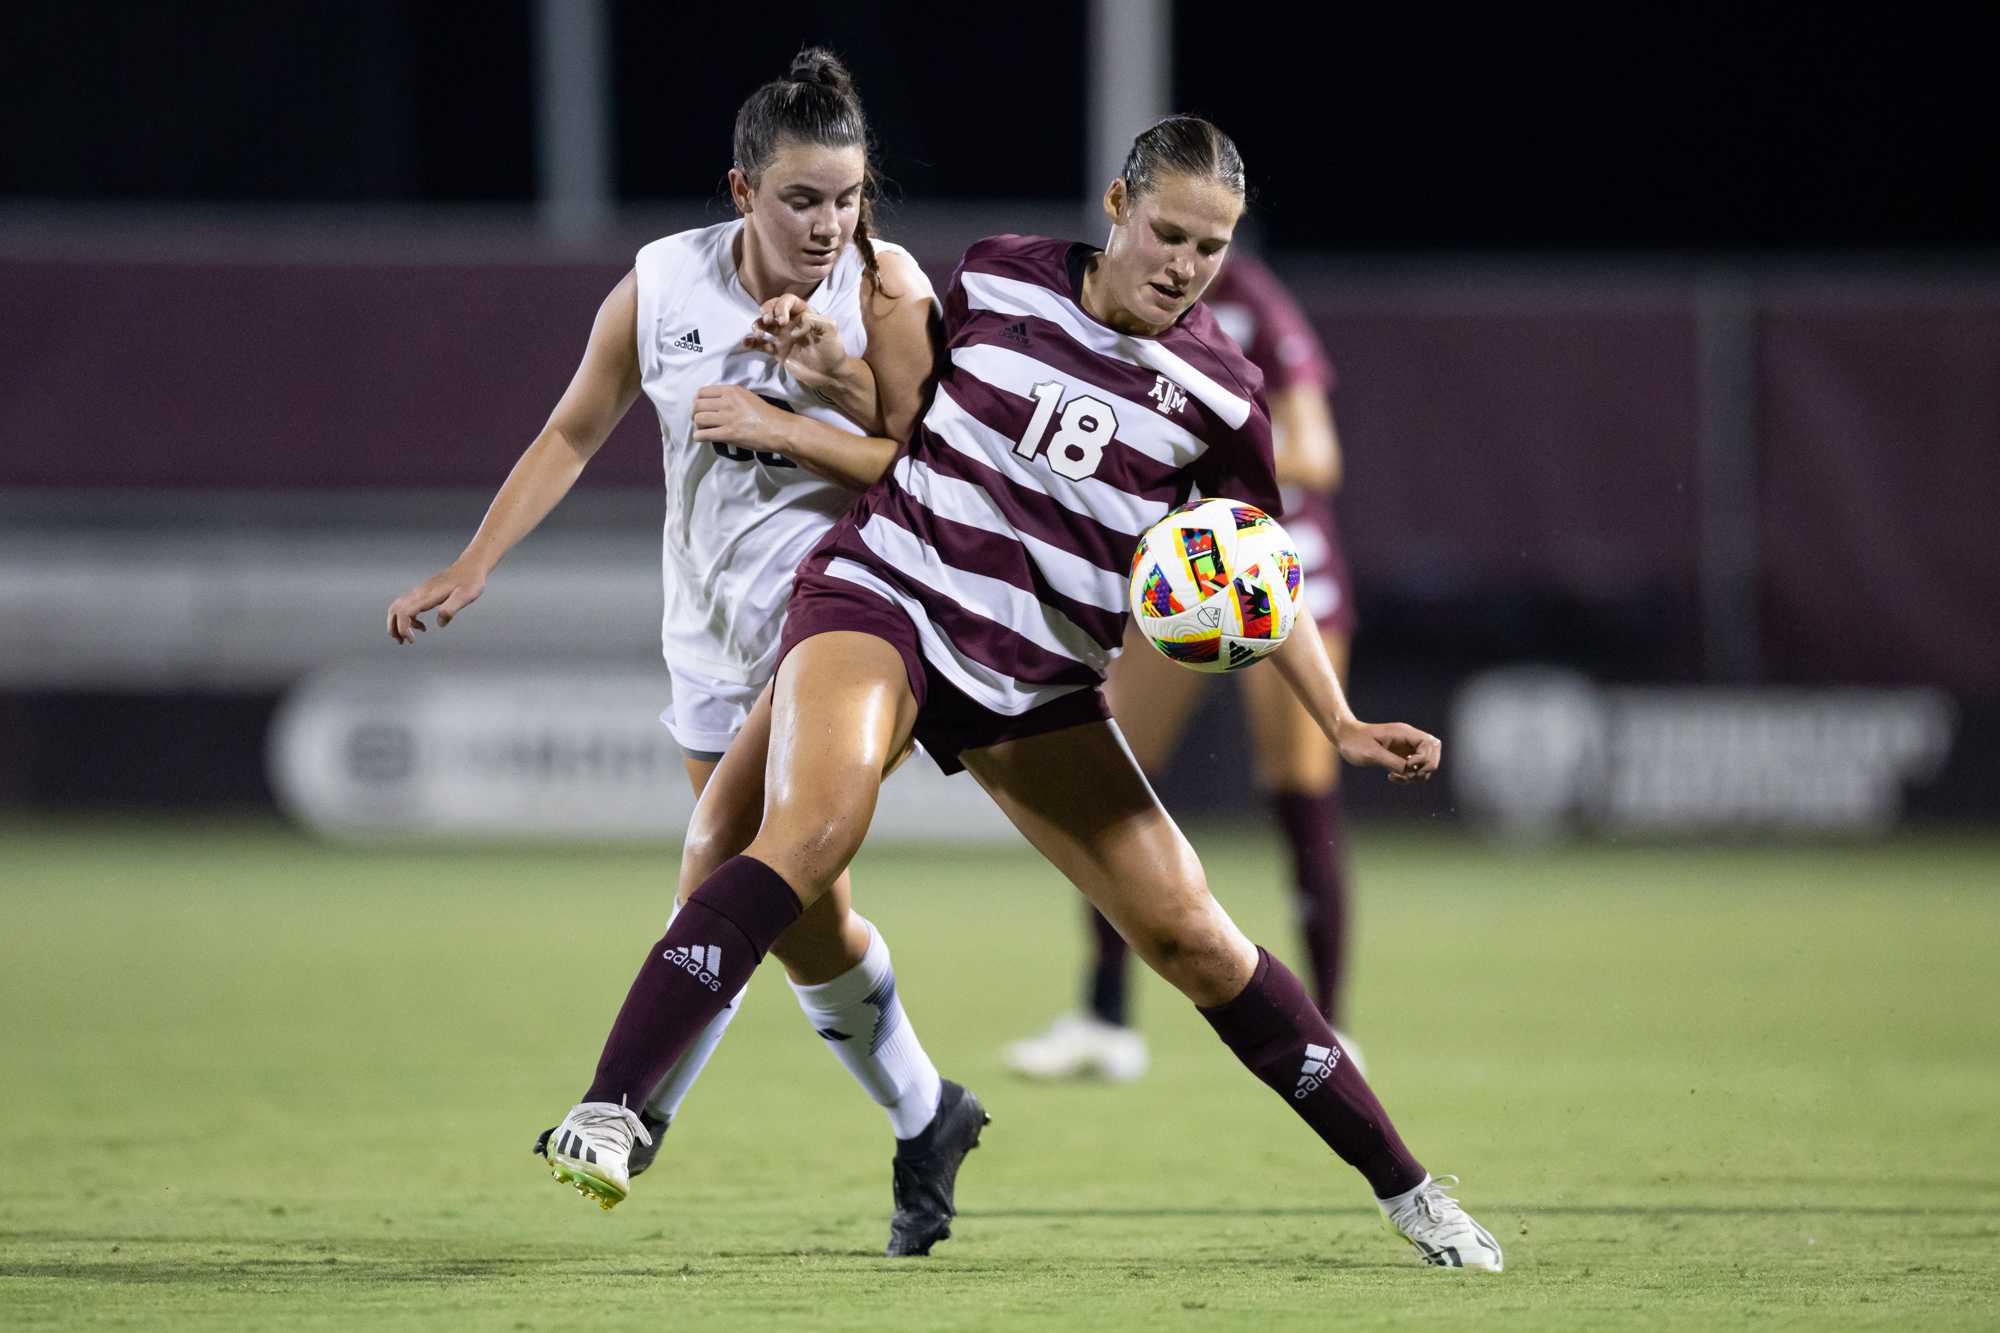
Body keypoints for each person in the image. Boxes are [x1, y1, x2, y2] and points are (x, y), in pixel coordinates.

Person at [545, 115, 1504, 1271]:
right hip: (884, 597)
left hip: (1034, 678)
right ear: (1115, 206)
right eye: (1166, 234)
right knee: (803, 834)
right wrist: (820, 376)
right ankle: (608, 1109)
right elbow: (904, 417)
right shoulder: (998, 273)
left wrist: (1335, 719)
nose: (1183, 267)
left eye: (1209, 249)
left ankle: (1409, 1192)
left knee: (1194, 940)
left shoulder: (1221, 393)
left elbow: (1251, 573)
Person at [385, 50, 986, 1257]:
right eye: (801, 199)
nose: (828, 225)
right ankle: (930, 1114)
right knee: (800, 925)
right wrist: (475, 559)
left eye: (848, 197)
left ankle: (625, 1105)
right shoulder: (660, 284)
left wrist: (790, 413)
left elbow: (934, 475)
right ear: (740, 191)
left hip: (846, 632)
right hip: (708, 643)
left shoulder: (885, 292)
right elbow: (572, 428)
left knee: (721, 871)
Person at [1003, 250, 1363, 1082]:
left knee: (1300, 789)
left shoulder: (1249, 307)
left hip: (1272, 578)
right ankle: (1104, 1018)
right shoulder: (1114, 313)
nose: (1184, 259)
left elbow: (1316, 452)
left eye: (1205, 241)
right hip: (1183, 581)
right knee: (1113, 768)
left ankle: (1335, 1030)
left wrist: (1206, 446)